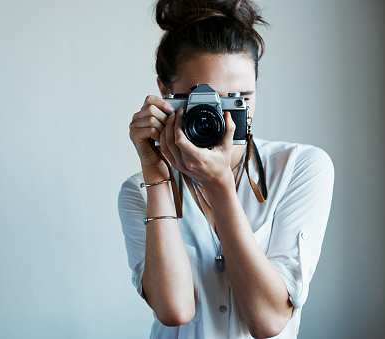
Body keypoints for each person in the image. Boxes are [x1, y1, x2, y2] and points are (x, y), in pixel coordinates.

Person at [118, 0, 334, 338]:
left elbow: (268, 321)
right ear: (165, 93)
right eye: (202, 99)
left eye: (239, 98)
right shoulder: (139, 189)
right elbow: (174, 311)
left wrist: (219, 186)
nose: (218, 116)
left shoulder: (299, 168)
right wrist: (155, 173)